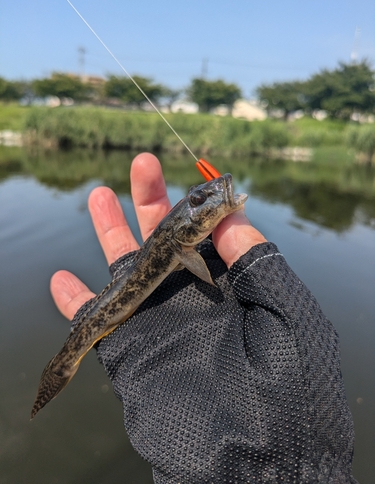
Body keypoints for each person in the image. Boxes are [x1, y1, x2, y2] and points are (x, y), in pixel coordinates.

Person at [51, 153, 356, 483]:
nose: (209, 195)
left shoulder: (183, 241)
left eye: (199, 198)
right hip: (107, 314)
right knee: (82, 341)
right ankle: (64, 364)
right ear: (177, 231)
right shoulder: (176, 241)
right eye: (197, 199)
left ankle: (65, 363)